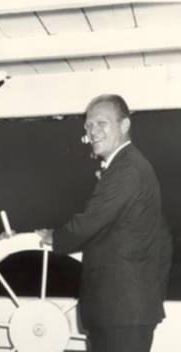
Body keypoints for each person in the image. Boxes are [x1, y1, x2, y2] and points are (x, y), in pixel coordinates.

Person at [37, 94, 172, 352]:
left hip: (122, 312)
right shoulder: (127, 166)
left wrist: (55, 236)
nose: (92, 131)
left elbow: (92, 220)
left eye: (101, 123)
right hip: (125, 310)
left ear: (124, 126)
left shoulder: (127, 168)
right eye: (88, 125)